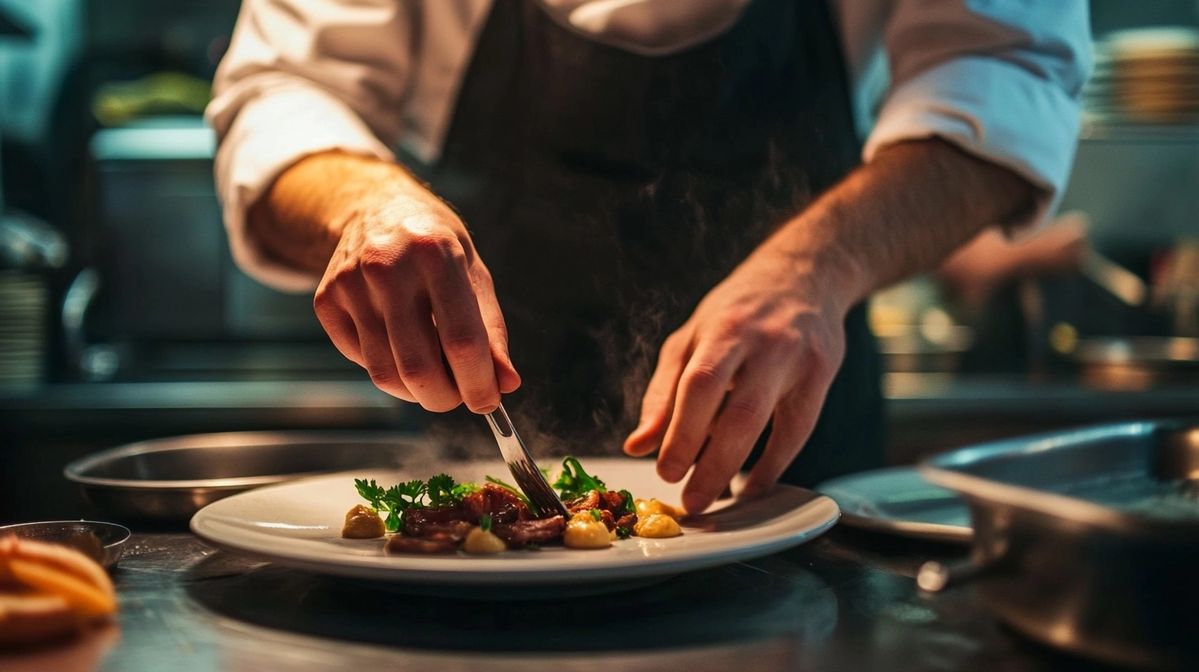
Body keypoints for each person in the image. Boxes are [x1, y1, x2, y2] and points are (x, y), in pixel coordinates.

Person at [208, 0, 1090, 514]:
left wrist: (819, 265)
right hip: (465, 441)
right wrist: (367, 206)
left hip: (797, 451)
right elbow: (285, 87)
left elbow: (1007, 65)